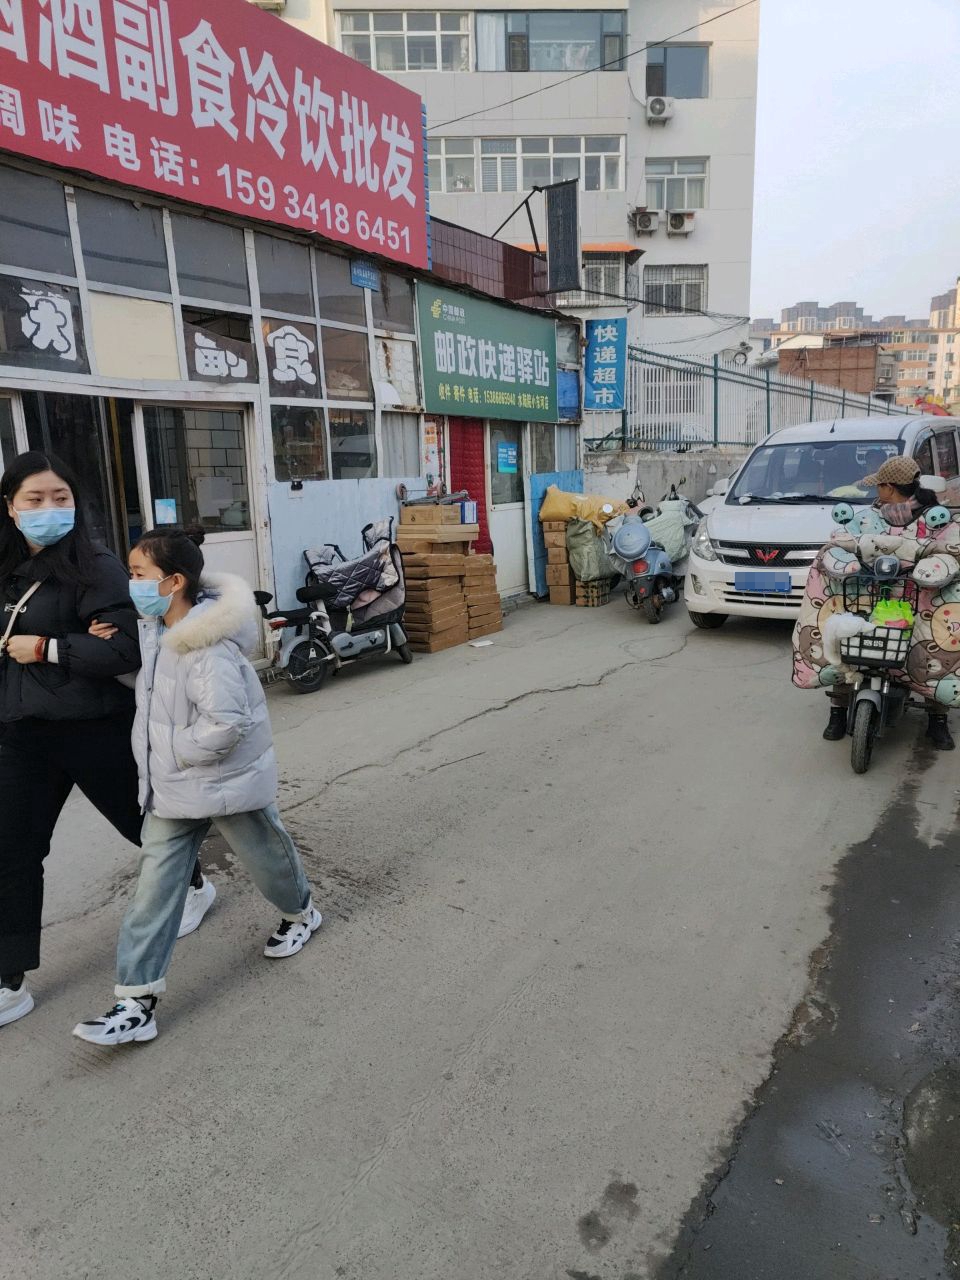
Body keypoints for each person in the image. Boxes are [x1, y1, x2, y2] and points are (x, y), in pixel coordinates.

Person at [74, 527, 320, 1046]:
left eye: (138, 574)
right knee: (153, 890)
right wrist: (114, 667)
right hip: (172, 790)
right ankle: (135, 1003)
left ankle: (301, 912)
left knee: (266, 858)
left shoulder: (206, 647)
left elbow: (227, 724)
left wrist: (175, 752)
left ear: (174, 581)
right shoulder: (158, 629)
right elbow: (158, 689)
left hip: (221, 782)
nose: (130, 583)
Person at [0, 453, 216, 1032]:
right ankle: (8, 979)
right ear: (10, 507)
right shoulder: (5, 565)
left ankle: (194, 884)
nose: (50, 509)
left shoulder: (94, 566)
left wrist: (51, 646)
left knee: (139, 826)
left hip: (91, 725)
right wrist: (67, 636)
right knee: (12, 852)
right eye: (35, 499)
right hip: (20, 731)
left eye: (61, 497)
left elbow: (125, 649)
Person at [823, 455, 954, 749]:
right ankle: (837, 711)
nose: (876, 492)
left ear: (889, 487)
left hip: (917, 596)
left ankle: (938, 719)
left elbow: (945, 548)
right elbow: (848, 541)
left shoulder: (933, 518)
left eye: (878, 486)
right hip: (870, 594)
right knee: (846, 639)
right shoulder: (870, 516)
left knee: (935, 646)